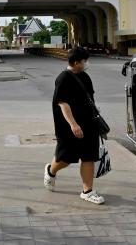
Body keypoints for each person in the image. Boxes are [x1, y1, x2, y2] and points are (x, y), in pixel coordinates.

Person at [43, 47, 104, 204]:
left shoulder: (85, 76)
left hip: (89, 124)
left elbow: (90, 98)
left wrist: (95, 111)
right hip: (69, 127)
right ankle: (51, 171)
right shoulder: (63, 78)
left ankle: (87, 191)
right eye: (84, 61)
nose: (86, 63)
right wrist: (73, 125)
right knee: (66, 158)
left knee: (89, 156)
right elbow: (63, 103)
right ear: (76, 62)